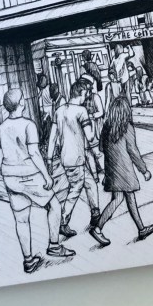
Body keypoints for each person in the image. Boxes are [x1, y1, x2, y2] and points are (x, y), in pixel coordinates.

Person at [0, 88, 74, 273]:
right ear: (21, 103)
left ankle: (28, 260)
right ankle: (54, 246)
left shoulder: (1, 128)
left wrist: (4, 169)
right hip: (30, 175)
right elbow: (34, 153)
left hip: (11, 178)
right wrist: (46, 176)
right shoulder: (28, 125)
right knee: (54, 205)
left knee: (21, 219)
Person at [89, 97, 153, 246]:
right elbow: (133, 151)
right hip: (125, 170)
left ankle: (141, 229)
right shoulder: (127, 127)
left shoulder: (107, 126)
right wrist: (144, 170)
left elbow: (101, 148)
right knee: (121, 199)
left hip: (112, 170)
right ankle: (98, 228)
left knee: (125, 197)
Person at [47, 82, 101, 238]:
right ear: (81, 93)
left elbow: (52, 137)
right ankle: (63, 222)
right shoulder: (81, 111)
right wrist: (92, 123)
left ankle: (95, 212)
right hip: (77, 158)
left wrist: (49, 159)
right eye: (85, 94)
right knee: (75, 189)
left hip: (66, 157)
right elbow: (90, 137)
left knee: (90, 183)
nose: (86, 97)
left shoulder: (59, 111)